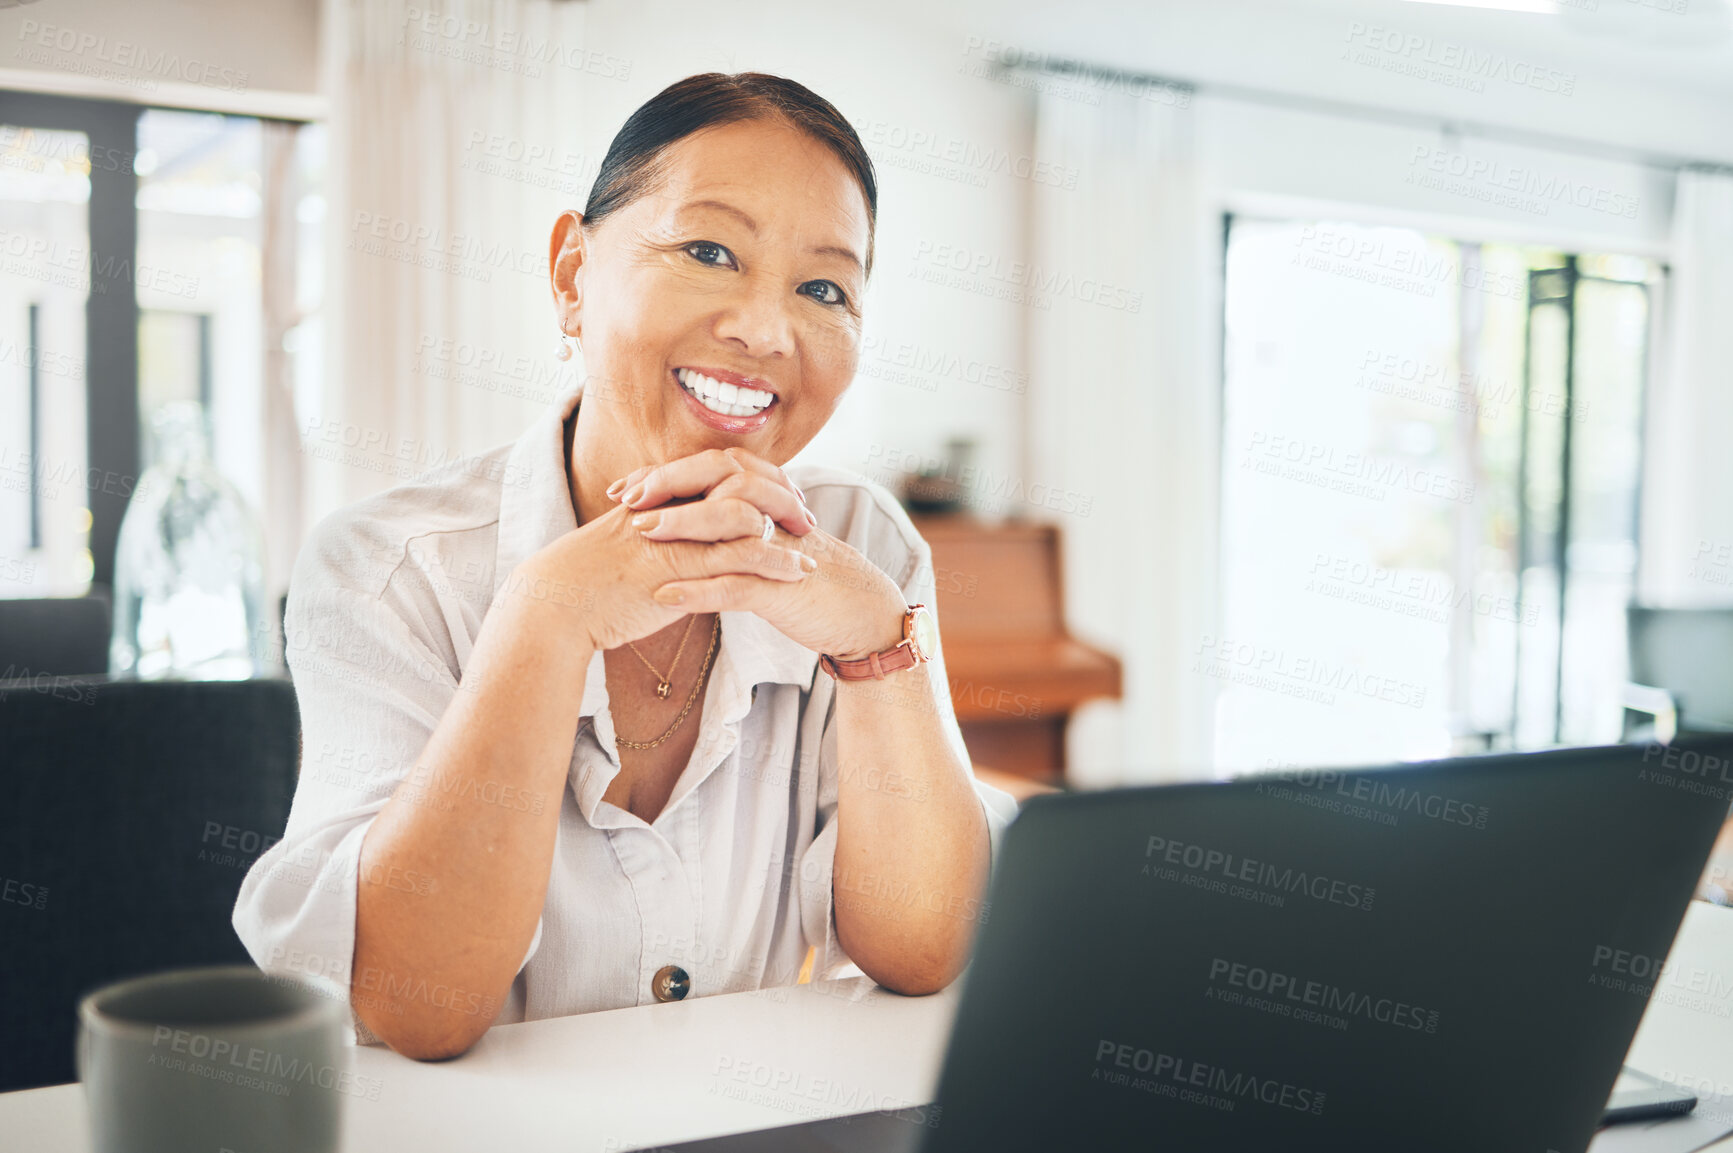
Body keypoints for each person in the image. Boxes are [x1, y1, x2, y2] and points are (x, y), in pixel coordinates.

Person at [234, 72, 1018, 1061]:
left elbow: (920, 946)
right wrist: (544, 615)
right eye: (707, 250)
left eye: (823, 287)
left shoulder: (864, 543)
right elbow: (415, 1002)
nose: (766, 330)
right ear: (571, 273)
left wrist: (876, 647)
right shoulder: (385, 567)